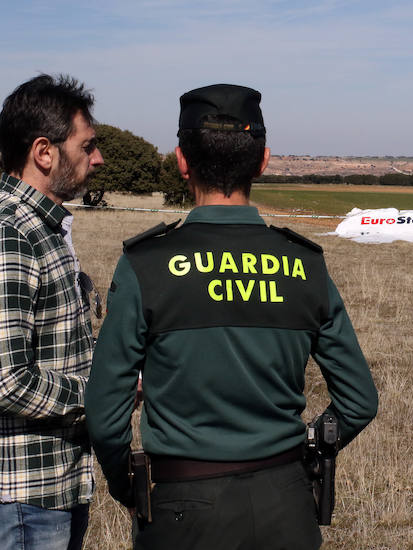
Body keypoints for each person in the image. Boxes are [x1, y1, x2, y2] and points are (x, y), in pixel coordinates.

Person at [85, 84, 378, 550]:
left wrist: (129, 486)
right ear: (262, 162)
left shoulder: (146, 264)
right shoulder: (305, 263)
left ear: (181, 161)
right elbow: (360, 401)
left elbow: (104, 412)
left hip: (182, 510)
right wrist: (309, 456)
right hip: (288, 503)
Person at [0, 74, 103, 550]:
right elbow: (7, 381)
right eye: (87, 146)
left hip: (54, 488)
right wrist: (104, 393)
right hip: (23, 500)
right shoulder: (11, 234)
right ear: (44, 152)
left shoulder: (45, 228)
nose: (97, 159)